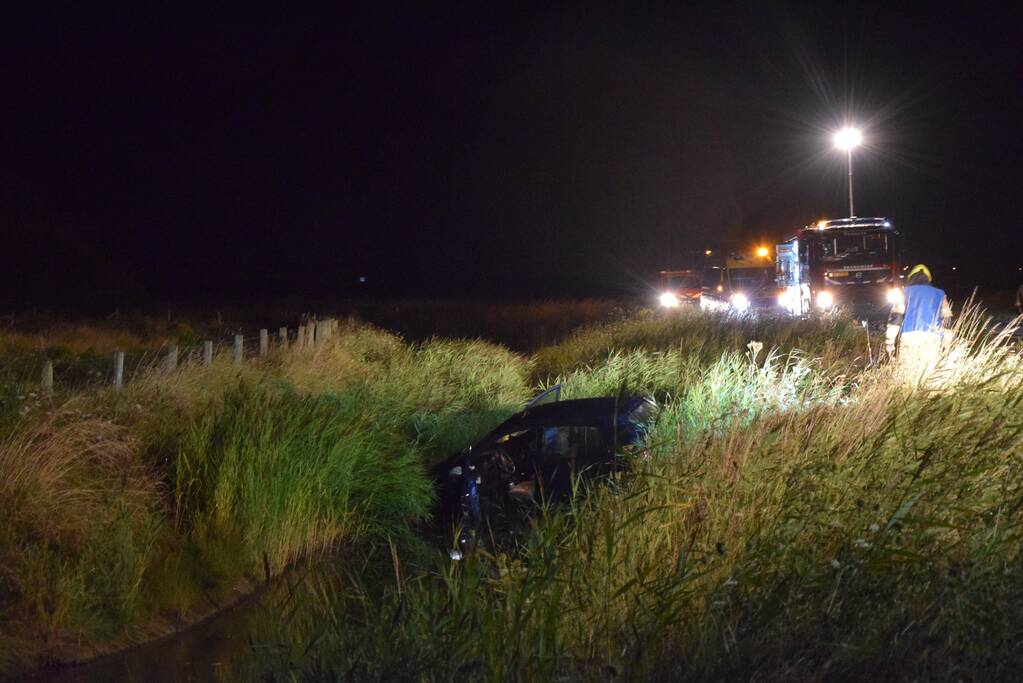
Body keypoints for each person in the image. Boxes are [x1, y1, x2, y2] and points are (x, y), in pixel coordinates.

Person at [886, 264, 953, 382]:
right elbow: (947, 320)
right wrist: (946, 343)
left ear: (911, 278)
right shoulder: (940, 294)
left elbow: (896, 318)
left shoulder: (904, 292)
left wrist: (890, 341)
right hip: (933, 337)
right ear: (928, 279)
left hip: (909, 337)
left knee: (907, 376)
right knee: (928, 375)